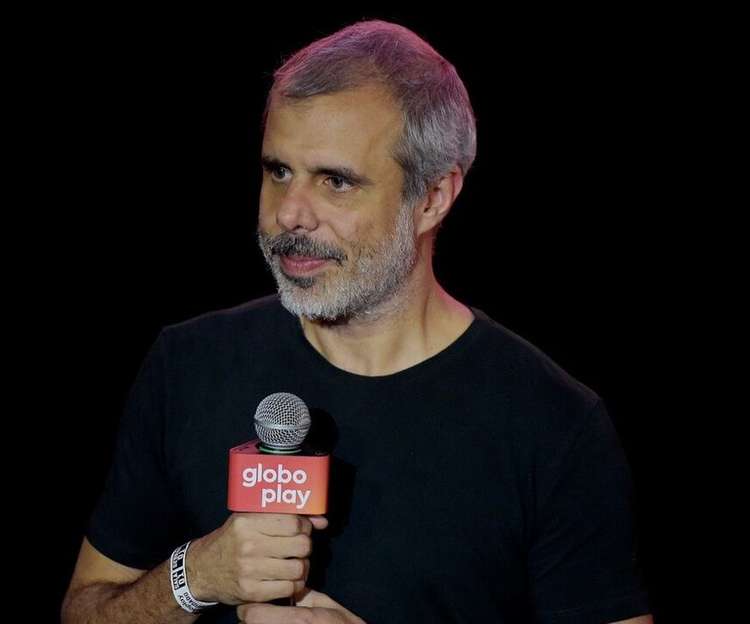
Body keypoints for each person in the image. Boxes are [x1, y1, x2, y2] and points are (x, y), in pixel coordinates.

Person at [61, 20, 652, 624]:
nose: (290, 214)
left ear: (432, 198)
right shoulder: (187, 366)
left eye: (336, 181)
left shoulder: (552, 425)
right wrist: (194, 577)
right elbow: (84, 610)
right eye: (278, 171)